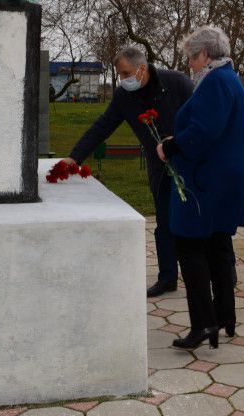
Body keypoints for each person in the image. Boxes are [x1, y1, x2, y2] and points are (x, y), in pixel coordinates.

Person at [65, 45, 194, 298]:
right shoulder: (124, 96)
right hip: (159, 166)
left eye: (125, 73)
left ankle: (224, 266)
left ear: (142, 68)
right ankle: (167, 277)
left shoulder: (177, 82)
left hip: (189, 161)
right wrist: (74, 157)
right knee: (164, 222)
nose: (123, 80)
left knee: (200, 215)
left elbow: (201, 119)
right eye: (119, 75)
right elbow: (103, 126)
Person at [158, 26, 244, 349]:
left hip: (209, 180)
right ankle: (225, 318)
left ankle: (203, 323)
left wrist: (171, 146)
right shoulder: (230, 79)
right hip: (227, 176)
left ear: (204, 55)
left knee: (188, 244)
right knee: (217, 244)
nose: (189, 64)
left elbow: (203, 132)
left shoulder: (214, 82)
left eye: (191, 57)